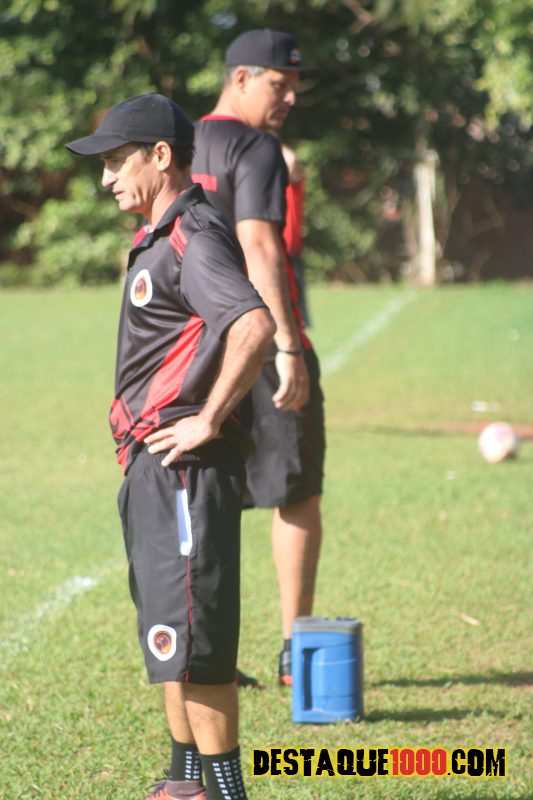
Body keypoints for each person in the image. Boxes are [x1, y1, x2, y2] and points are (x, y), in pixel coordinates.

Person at [65, 93, 275, 800]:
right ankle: (184, 780)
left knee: (196, 644)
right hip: (154, 467)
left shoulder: (193, 235)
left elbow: (251, 324)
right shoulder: (160, 235)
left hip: (187, 469)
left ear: (161, 156)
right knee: (169, 632)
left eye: (116, 161)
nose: (106, 179)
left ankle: (226, 791)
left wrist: (208, 419)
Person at [192, 29, 325, 686]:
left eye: (294, 85)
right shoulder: (257, 146)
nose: (290, 96)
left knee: (204, 501)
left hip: (193, 349)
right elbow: (262, 248)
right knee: (294, 491)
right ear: (240, 79)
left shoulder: (178, 142)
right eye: (279, 83)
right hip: (259, 342)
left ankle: (203, 657)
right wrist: (287, 345)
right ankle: (294, 653)